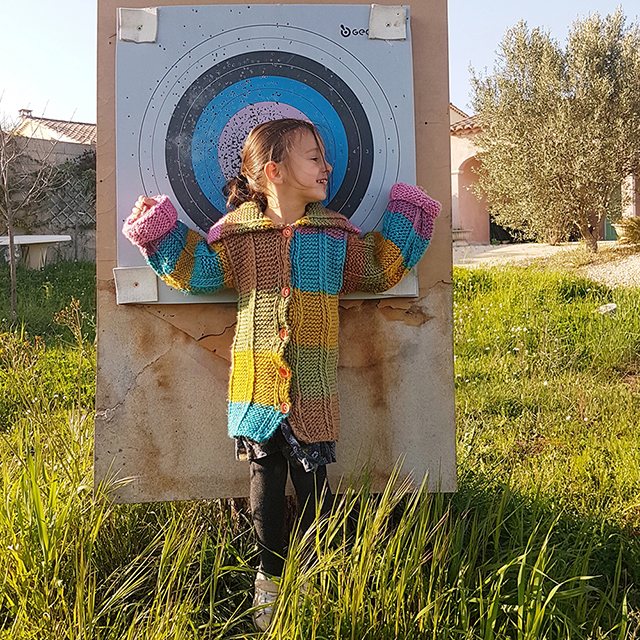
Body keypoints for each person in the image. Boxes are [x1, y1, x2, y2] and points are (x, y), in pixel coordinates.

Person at [122, 118, 440, 630]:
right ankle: (269, 580)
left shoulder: (333, 236)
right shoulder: (241, 237)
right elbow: (202, 272)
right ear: (273, 170)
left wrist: (408, 215)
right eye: (314, 157)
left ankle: (314, 577)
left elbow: (377, 268)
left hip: (312, 387)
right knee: (264, 477)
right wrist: (158, 230)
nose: (327, 166)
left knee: (314, 482)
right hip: (256, 384)